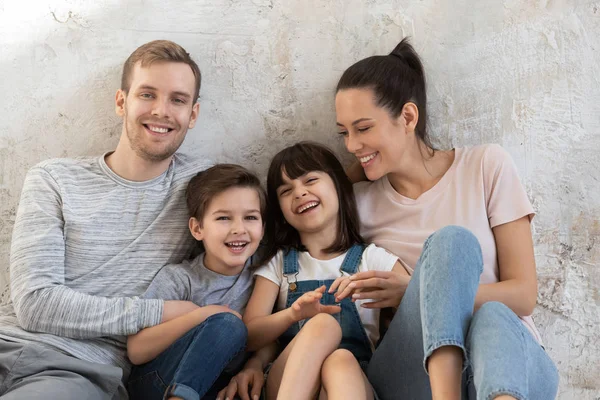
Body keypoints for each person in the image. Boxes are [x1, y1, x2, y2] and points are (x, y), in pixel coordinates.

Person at [0, 40, 258, 400]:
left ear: (193, 114)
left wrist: (257, 361)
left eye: (178, 100)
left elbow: (272, 235)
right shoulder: (53, 178)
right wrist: (165, 310)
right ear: (122, 101)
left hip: (72, 369)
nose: (162, 111)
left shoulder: (205, 190)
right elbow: (35, 304)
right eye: (148, 94)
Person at [333, 38, 559, 400]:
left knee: (486, 304)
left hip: (510, 363)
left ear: (407, 116)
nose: (351, 145)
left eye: (363, 129)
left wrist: (417, 292)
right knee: (451, 246)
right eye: (343, 133)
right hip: (414, 375)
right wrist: (345, 178)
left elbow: (523, 294)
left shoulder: (486, 165)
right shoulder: (358, 202)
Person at [242, 142, 407, 400]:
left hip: (354, 381)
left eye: (311, 180)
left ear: (339, 187)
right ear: (281, 212)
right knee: (323, 325)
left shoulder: (372, 258)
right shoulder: (278, 264)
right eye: (286, 191)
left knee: (340, 360)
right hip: (288, 382)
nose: (299, 193)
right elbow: (248, 336)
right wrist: (291, 315)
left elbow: (418, 306)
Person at [126, 164, 272, 400]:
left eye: (251, 217)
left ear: (263, 228)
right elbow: (136, 351)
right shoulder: (178, 279)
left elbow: (273, 334)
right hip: (159, 382)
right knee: (227, 324)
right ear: (197, 228)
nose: (239, 229)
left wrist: (254, 364)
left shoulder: (266, 274)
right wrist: (203, 315)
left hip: (221, 386)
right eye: (223, 218)